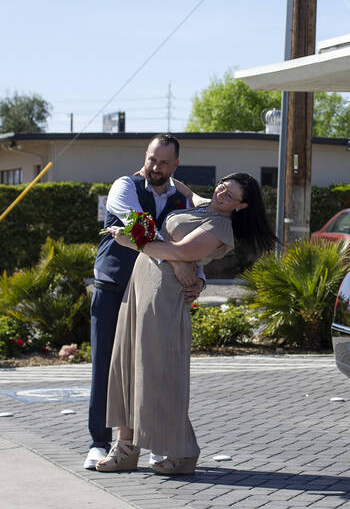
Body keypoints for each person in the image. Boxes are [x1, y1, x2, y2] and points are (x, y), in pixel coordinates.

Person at [95, 172, 277, 475]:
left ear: (242, 207)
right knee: (126, 366)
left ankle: (182, 451)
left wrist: (133, 242)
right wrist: (156, 171)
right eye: (222, 185)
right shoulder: (205, 204)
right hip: (140, 287)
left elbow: (180, 252)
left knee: (157, 374)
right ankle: (124, 448)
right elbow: (183, 189)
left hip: (163, 298)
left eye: (230, 195)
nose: (222, 193)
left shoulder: (220, 227)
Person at [84, 134, 202, 470]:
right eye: (152, 159)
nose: (155, 167)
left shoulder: (183, 203)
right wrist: (180, 260)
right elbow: (141, 228)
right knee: (106, 366)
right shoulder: (124, 186)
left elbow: (201, 246)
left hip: (156, 296)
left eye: (164, 162)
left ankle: (155, 442)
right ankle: (99, 442)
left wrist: (199, 280)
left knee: (155, 369)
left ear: (175, 165)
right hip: (114, 289)